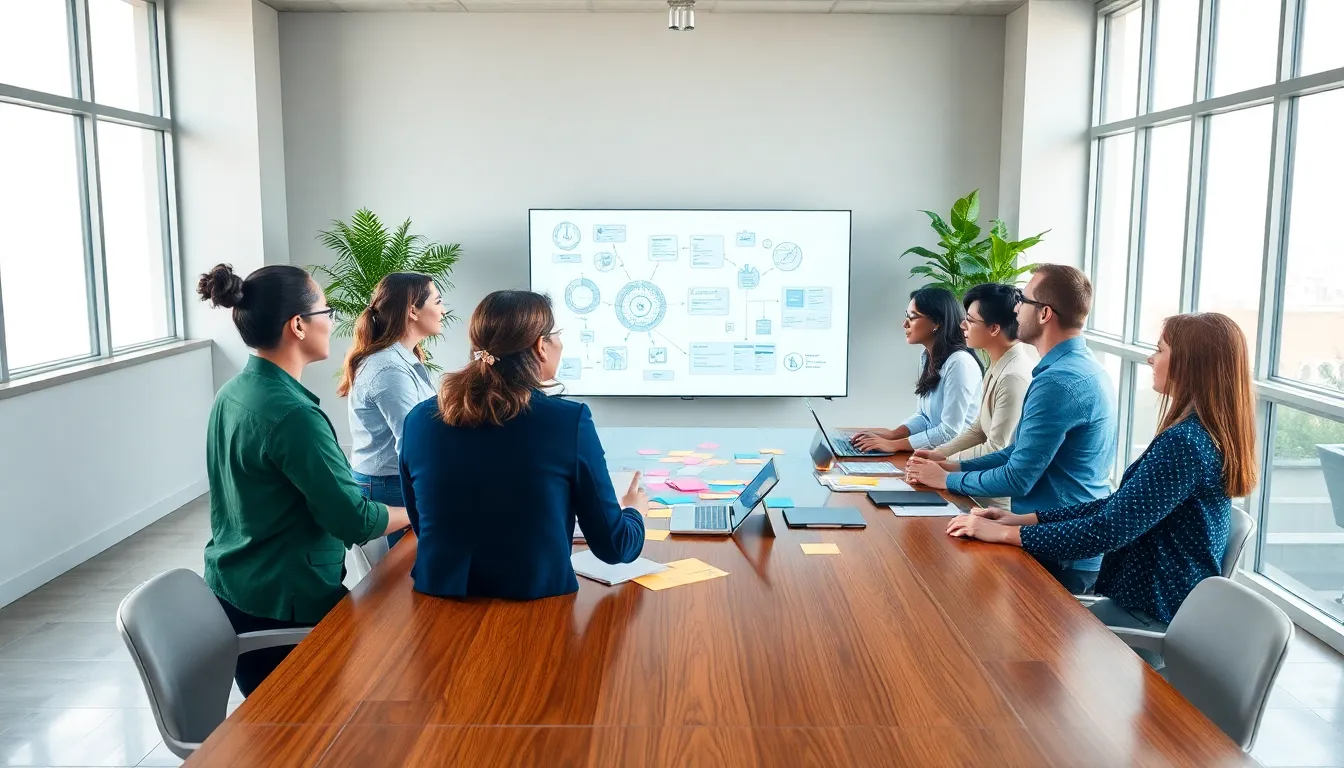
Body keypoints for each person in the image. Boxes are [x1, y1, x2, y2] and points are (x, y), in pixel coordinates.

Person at [946, 313, 1257, 628]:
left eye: (1160, 350)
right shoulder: (1197, 434)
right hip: (1145, 602)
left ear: (1189, 364)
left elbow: (1108, 530)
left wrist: (1005, 534)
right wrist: (1023, 519)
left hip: (1149, 612)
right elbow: (1119, 506)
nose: (1151, 359)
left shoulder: (1184, 444)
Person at [197, 263, 410, 696]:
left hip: (238, 590)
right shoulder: (293, 416)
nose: (333, 321)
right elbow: (353, 520)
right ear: (298, 325)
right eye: (326, 310)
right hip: (285, 612)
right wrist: (418, 512)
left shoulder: (233, 392)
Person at [398, 290, 646, 600]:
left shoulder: (419, 419)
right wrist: (634, 512)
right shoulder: (569, 421)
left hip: (439, 601)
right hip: (534, 609)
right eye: (556, 336)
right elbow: (615, 546)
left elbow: (424, 523)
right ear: (540, 346)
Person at [906, 264, 1116, 594]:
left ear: (1045, 313)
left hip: (1060, 551)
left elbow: (1018, 477)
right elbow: (1016, 453)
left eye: (1024, 300)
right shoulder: (1075, 368)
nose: (1016, 307)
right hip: (1050, 533)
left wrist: (947, 479)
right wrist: (954, 465)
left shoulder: (1058, 382)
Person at [338, 273, 443, 552]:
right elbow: (412, 445)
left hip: (390, 482)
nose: (443, 310)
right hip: (389, 487)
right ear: (413, 311)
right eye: (438, 301)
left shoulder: (403, 358)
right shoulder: (390, 369)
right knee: (401, 580)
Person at [919, 283, 1039, 509]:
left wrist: (946, 464)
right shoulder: (996, 364)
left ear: (994, 329)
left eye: (971, 320)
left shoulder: (1013, 376)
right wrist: (938, 454)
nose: (963, 325)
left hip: (992, 502)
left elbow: (997, 448)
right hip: (970, 488)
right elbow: (978, 429)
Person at [853, 287, 982, 454]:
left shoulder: (959, 363)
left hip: (955, 459)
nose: (904, 324)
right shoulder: (927, 356)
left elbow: (950, 431)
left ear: (937, 323)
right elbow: (924, 418)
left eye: (912, 317)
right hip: (934, 453)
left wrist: (895, 445)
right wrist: (893, 434)